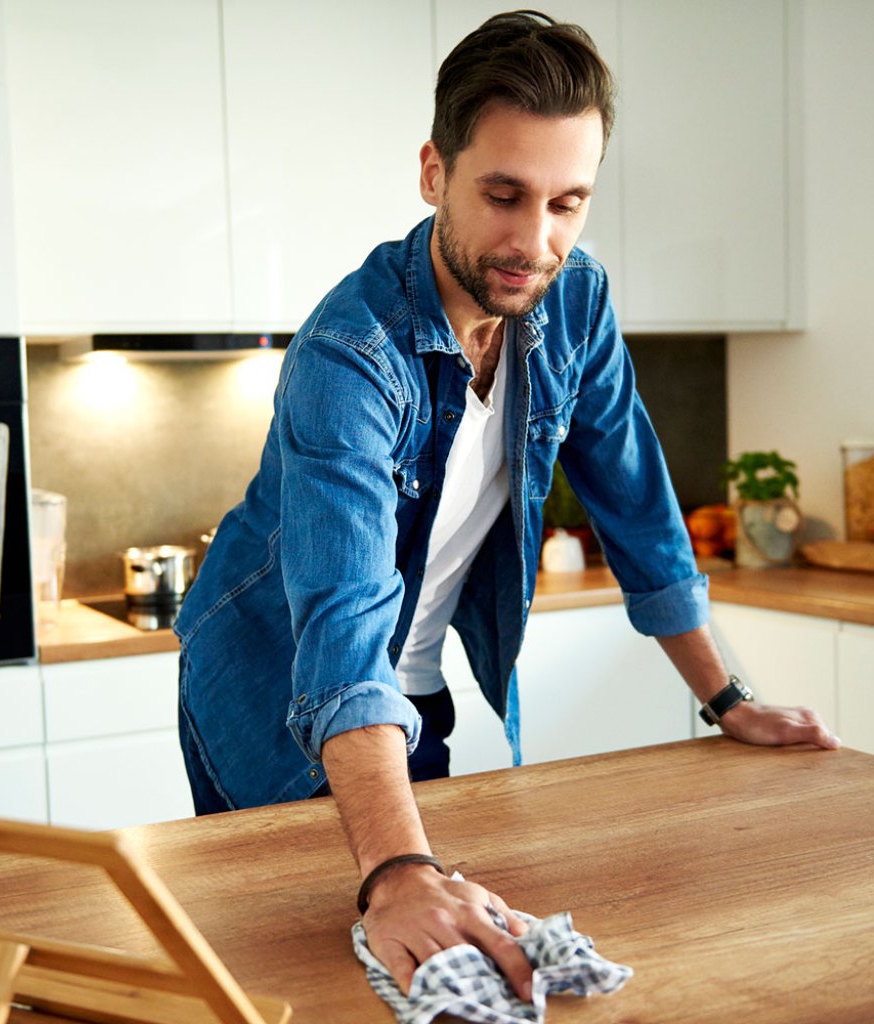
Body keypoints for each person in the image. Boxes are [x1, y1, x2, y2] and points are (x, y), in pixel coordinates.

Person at [175, 9, 838, 1002]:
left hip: (412, 698)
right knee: (297, 979)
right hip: (275, 690)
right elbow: (342, 622)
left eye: (568, 202)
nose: (536, 241)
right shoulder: (350, 356)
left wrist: (726, 699)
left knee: (431, 966)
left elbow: (636, 501)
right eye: (503, 195)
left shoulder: (571, 298)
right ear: (433, 172)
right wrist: (398, 869)